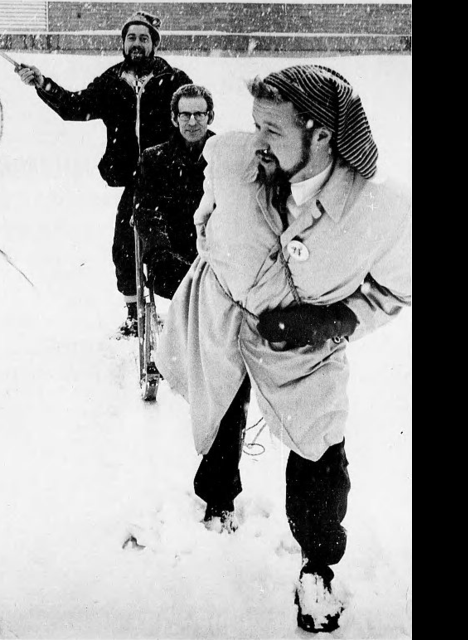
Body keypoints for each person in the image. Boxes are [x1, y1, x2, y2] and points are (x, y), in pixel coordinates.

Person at [156, 65, 412, 634]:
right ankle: (218, 498)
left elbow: (398, 289)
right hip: (224, 314)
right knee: (219, 408)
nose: (257, 142)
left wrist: (334, 321)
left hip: (305, 349)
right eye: (255, 125)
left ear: (322, 134)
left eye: (272, 130)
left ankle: (317, 568)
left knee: (319, 449)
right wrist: (223, 268)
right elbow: (206, 217)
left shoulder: (382, 209)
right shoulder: (227, 157)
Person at [15, 11, 194, 337]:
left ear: (154, 42)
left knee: (182, 243)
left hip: (170, 179)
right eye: (131, 38)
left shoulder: (175, 80)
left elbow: (193, 120)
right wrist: (43, 84)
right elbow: (74, 105)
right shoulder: (113, 80)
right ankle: (134, 313)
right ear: (123, 43)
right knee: (124, 246)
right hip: (134, 180)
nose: (136, 43)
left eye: (143, 38)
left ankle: (191, 310)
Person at [133, 84, 216, 299]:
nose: (192, 122)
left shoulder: (224, 156)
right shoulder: (154, 159)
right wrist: (161, 250)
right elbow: (146, 211)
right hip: (170, 254)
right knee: (172, 277)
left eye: (199, 114)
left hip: (217, 252)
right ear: (174, 118)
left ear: (211, 116)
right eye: (185, 115)